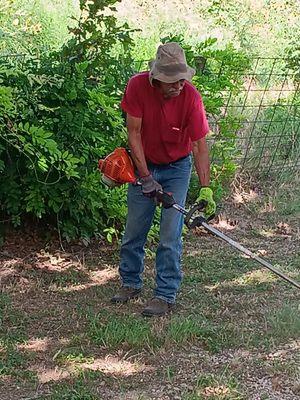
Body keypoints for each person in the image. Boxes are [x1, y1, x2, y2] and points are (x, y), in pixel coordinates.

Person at [111, 42, 216, 316]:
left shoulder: (191, 97)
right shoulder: (137, 87)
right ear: (155, 78)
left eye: (181, 80)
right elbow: (133, 133)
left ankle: (165, 294)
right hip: (143, 164)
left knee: (170, 235)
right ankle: (130, 283)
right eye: (171, 82)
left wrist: (206, 189)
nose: (178, 86)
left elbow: (199, 145)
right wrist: (145, 177)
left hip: (177, 168)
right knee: (135, 230)